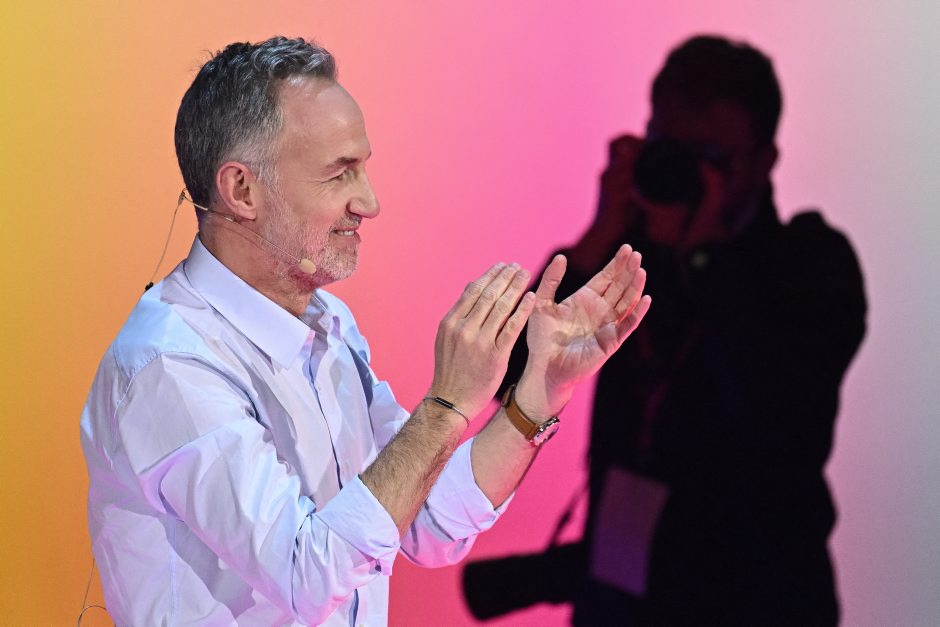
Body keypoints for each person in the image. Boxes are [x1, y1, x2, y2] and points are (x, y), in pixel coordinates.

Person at [79, 36, 651, 626]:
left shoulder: (330, 325)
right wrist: (446, 406)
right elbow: (306, 572)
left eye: (363, 168)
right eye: (339, 174)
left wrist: (538, 395)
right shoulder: (168, 366)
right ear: (242, 190)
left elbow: (425, 520)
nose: (369, 202)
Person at [464, 35, 867, 625]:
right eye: (667, 148)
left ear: (762, 162)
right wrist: (598, 236)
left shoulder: (807, 263)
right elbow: (503, 380)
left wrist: (705, 258)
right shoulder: (634, 259)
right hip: (624, 605)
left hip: (759, 605)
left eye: (711, 157)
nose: (683, 173)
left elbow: (778, 419)